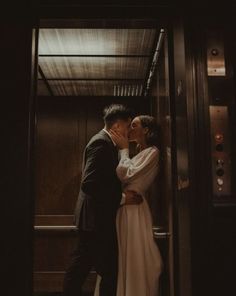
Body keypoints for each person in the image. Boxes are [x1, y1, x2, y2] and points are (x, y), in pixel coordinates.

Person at [63, 104, 142, 296]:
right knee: (100, 268)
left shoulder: (105, 142)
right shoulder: (101, 143)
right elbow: (89, 183)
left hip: (94, 217)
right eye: (128, 125)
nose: (129, 130)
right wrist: (122, 198)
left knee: (87, 265)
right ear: (116, 126)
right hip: (95, 219)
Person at [110, 115, 163, 296]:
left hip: (135, 209)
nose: (129, 129)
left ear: (146, 130)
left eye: (134, 125)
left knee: (135, 255)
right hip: (126, 206)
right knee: (126, 255)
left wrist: (124, 150)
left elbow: (126, 174)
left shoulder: (153, 152)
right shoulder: (141, 152)